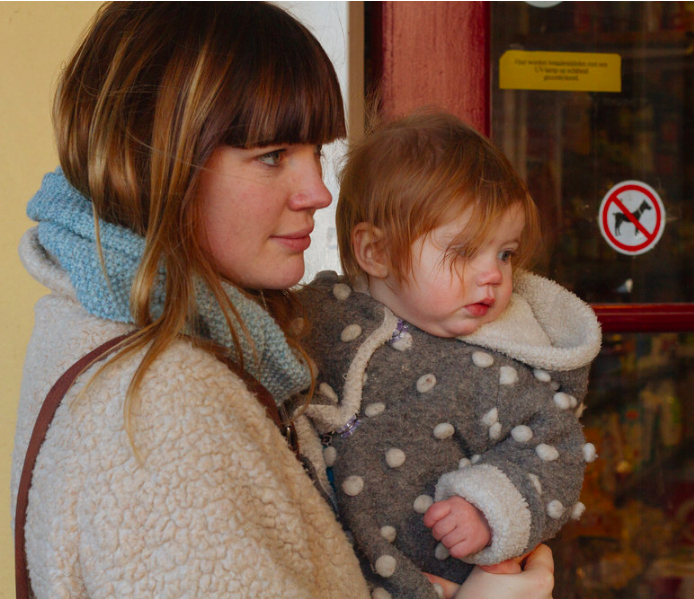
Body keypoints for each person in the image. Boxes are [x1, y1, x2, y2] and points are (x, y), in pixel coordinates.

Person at [10, 4, 555, 598]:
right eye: (272, 156)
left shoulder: (140, 330)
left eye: (314, 152)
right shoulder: (158, 401)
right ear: (157, 163)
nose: (319, 192)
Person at [298, 111, 602, 598]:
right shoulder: (316, 317)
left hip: (438, 582)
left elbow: (556, 453)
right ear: (375, 252)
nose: (494, 275)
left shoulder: (499, 364)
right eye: (463, 252)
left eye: (504, 253)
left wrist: (487, 509)